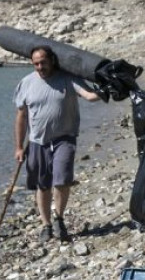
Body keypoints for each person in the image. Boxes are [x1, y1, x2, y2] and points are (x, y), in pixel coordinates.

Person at [13, 45, 101, 242]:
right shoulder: (26, 83)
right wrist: (19, 147)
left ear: (52, 60)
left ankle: (59, 218)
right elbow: (21, 116)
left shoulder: (67, 78)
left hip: (64, 138)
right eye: (36, 63)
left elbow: (90, 96)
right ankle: (46, 225)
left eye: (43, 62)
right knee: (42, 185)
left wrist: (106, 89)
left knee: (61, 179)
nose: (40, 67)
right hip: (37, 141)